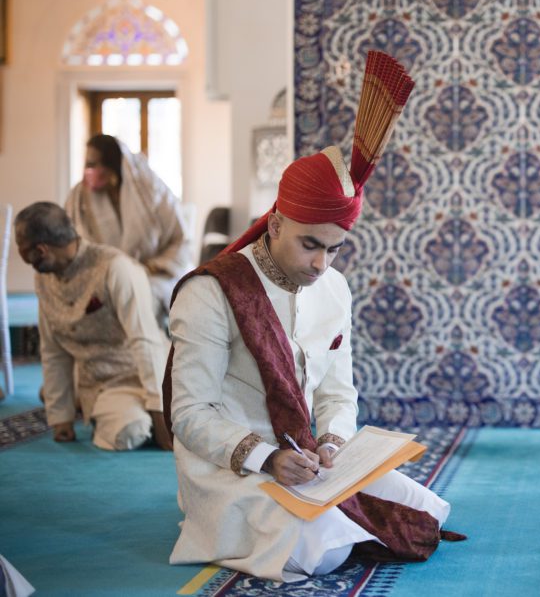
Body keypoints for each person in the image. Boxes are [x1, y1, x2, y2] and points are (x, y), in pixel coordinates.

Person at [164, 144, 454, 581]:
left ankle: (333, 513)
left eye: (335, 249)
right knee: (326, 553)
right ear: (276, 224)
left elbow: (338, 392)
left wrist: (333, 442)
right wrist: (265, 457)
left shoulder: (334, 288)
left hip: (309, 463)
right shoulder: (210, 293)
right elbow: (188, 414)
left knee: (428, 512)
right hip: (233, 467)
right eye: (310, 245)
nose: (321, 264)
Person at [15, 202, 171, 451]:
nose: (26, 261)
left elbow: (145, 339)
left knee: (172, 423)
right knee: (131, 431)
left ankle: (119, 407)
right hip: (101, 384)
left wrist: (160, 410)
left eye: (23, 252)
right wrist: (60, 416)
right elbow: (53, 349)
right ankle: (86, 402)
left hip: (150, 372)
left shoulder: (115, 267)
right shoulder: (43, 278)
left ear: (41, 250)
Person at [65, 134, 191, 321]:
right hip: (102, 277)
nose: (86, 170)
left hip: (154, 274)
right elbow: (71, 242)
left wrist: (149, 268)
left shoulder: (151, 191)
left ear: (111, 168)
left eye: (92, 164)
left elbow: (179, 239)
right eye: (86, 164)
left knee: (137, 300)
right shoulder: (80, 197)